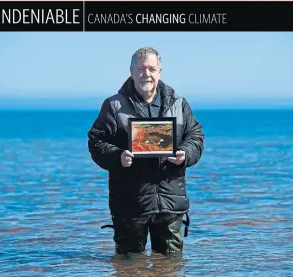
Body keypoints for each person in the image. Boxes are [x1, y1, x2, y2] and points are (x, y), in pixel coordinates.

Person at [87, 46, 205, 255]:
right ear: (131, 72)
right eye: (141, 69)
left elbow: (195, 136)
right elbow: (96, 141)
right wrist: (117, 157)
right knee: (129, 267)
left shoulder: (179, 103)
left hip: (170, 202)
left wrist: (185, 154)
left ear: (160, 70)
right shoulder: (114, 105)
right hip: (130, 204)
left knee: (170, 267)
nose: (146, 74)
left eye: (151, 68)